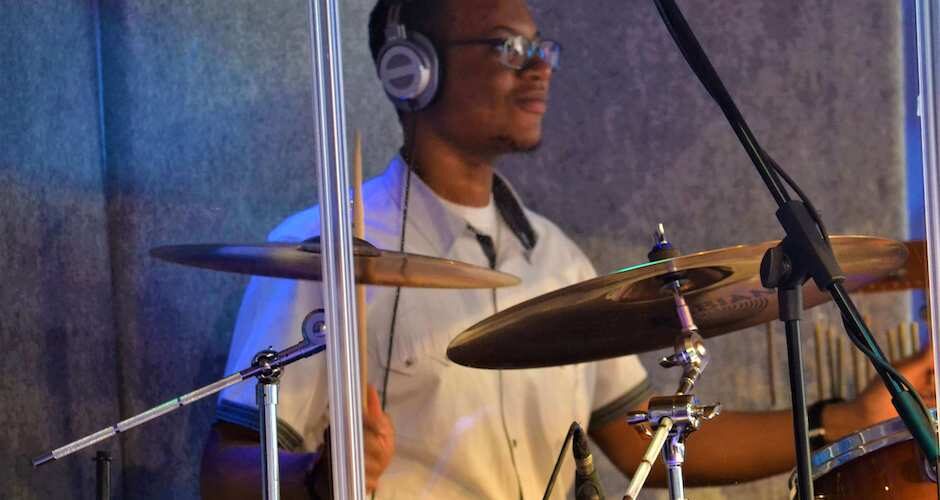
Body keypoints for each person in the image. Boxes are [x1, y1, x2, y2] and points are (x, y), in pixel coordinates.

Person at [201, 0, 937, 498]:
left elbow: (640, 440)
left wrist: (855, 416)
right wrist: (309, 481)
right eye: (507, 47)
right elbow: (226, 463)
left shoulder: (555, 260)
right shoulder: (324, 249)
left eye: (540, 45)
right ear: (411, 71)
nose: (539, 66)